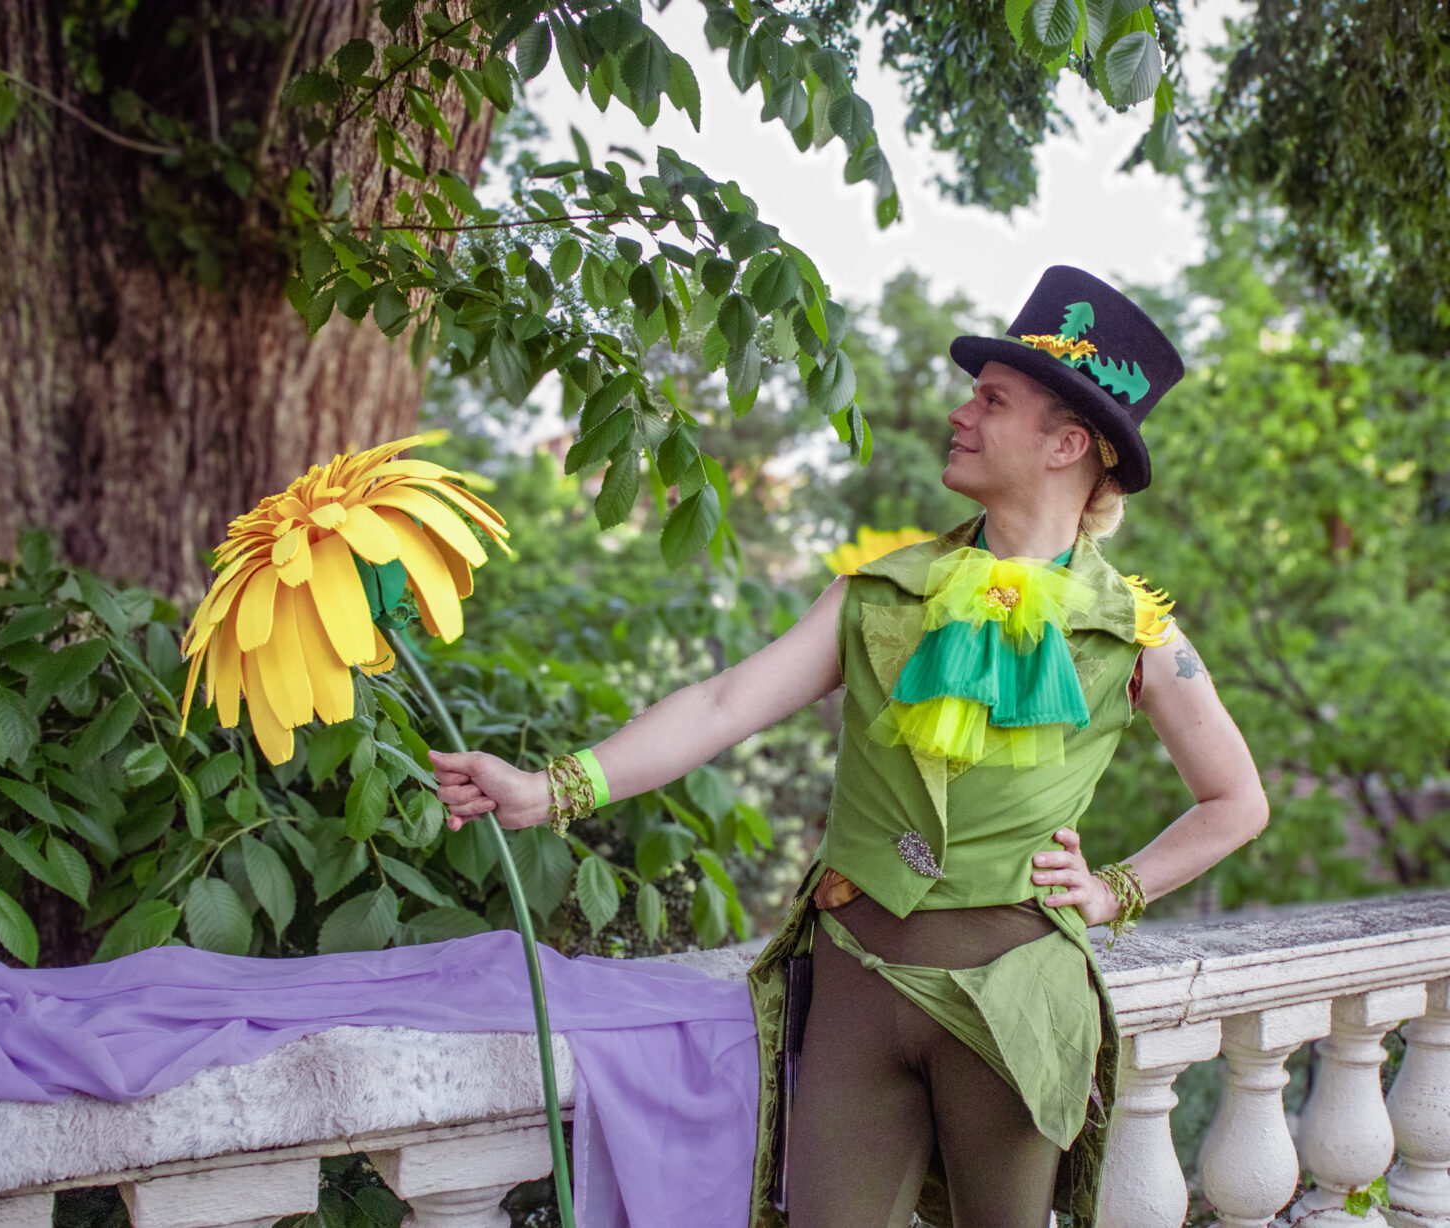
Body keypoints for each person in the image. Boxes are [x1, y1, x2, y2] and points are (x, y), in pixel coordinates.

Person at [428, 266, 1268, 1228]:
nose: (959, 413)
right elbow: (722, 702)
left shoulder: (1139, 633)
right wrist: (550, 789)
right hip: (854, 991)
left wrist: (1116, 888)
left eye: (991, 400)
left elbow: (1237, 802)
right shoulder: (879, 593)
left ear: (1067, 441)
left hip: (1016, 1002)